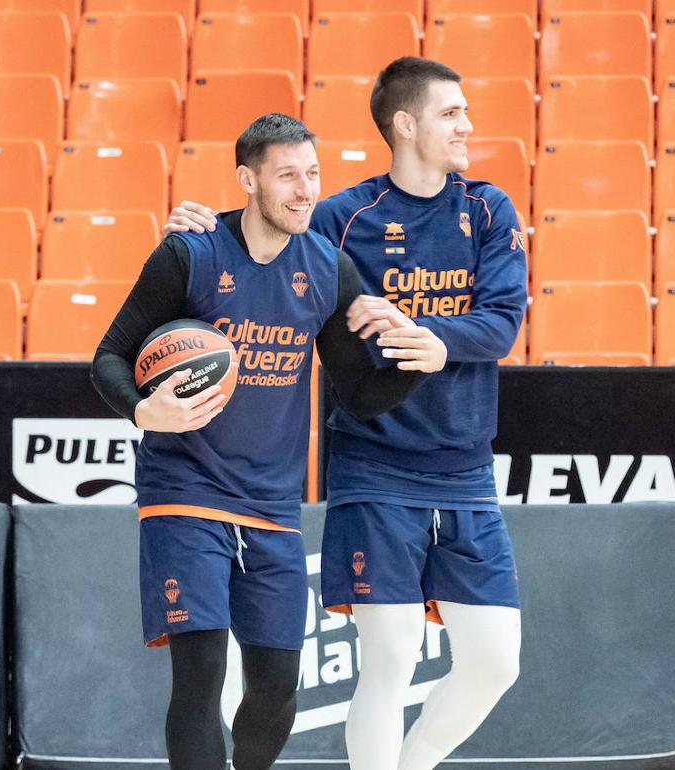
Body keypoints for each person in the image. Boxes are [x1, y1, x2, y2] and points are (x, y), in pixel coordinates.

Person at [164, 58, 528, 770]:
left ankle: (414, 764)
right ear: (406, 124)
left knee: (495, 662)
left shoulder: (488, 209)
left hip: (465, 470)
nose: (467, 125)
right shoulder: (342, 215)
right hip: (372, 465)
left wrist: (433, 338)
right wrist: (191, 227)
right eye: (451, 113)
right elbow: (260, 238)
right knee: (389, 657)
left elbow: (504, 322)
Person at [90, 113, 447, 770]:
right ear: (247, 179)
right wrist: (146, 412)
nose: (306, 189)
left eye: (313, 174)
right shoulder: (189, 254)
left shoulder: (329, 269)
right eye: (288, 175)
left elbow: (358, 392)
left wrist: (417, 365)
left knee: (277, 686)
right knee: (200, 673)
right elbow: (108, 355)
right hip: (184, 489)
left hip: (273, 502)